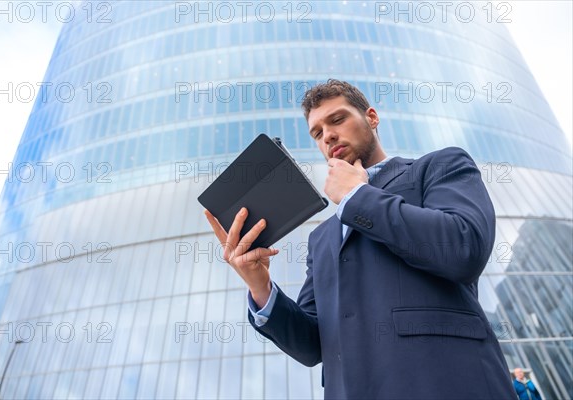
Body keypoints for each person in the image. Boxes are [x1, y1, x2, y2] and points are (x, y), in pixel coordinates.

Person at [205, 79, 517, 399]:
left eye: (337, 119)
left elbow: (463, 248)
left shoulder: (439, 167)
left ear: (371, 117)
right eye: (317, 132)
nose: (327, 135)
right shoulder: (321, 238)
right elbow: (313, 343)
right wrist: (260, 287)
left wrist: (356, 196)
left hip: (446, 383)